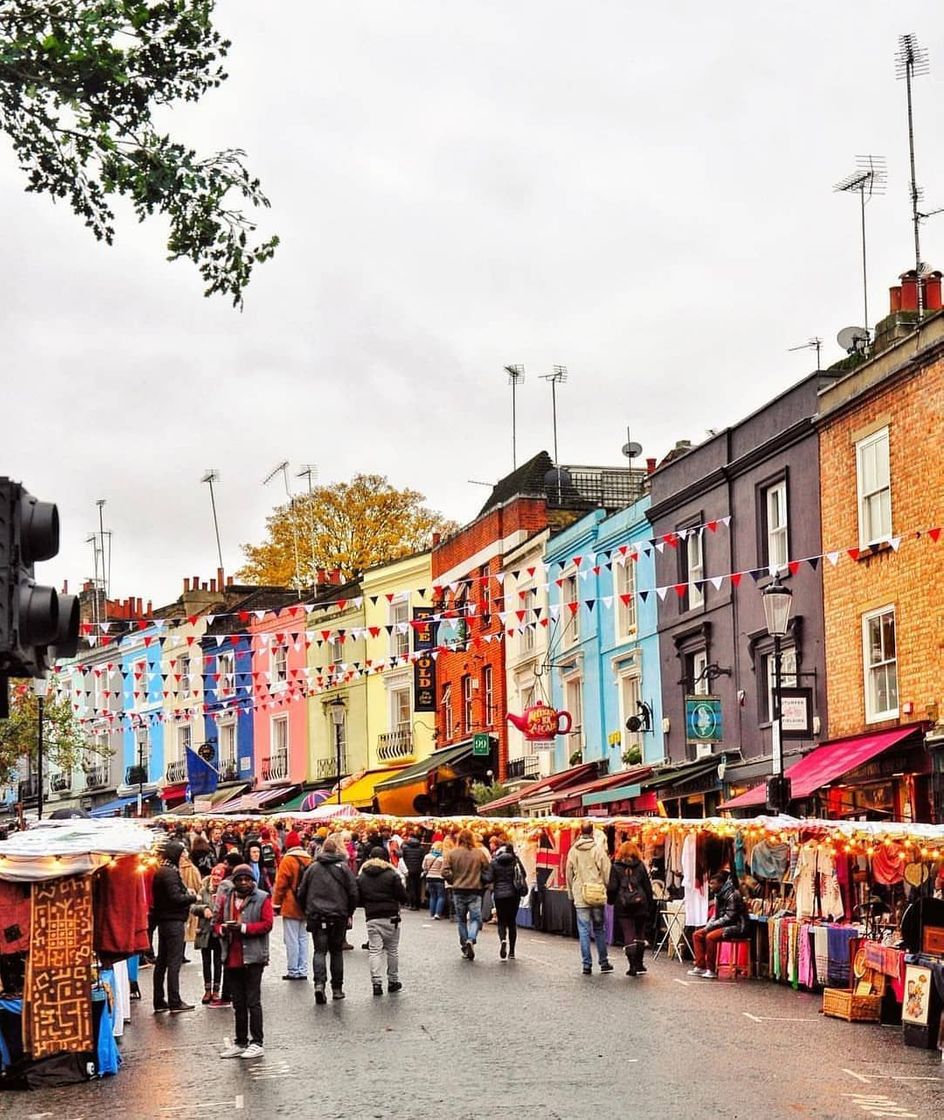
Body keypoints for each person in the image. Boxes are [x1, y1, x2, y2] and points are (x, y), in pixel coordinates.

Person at [214, 864, 274, 1059]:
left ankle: (257, 1042)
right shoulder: (227, 898)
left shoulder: (263, 898)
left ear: (252, 880)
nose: (243, 883)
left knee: (253, 1001)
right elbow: (215, 923)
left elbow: (267, 924)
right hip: (232, 957)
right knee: (238, 1002)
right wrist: (223, 929)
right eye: (239, 879)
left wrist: (243, 928)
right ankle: (240, 1041)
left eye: (247, 879)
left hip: (254, 957)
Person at [297, 837, 359, 1003]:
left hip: (317, 915)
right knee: (336, 951)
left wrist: (307, 910)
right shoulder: (343, 868)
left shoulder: (312, 868)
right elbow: (353, 893)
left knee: (319, 951)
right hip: (338, 915)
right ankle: (337, 988)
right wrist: (349, 912)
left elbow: (301, 892)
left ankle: (319, 984)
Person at [151, 840, 199, 1013]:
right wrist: (193, 898)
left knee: (162, 962)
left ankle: (159, 1000)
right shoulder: (169, 873)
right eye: (181, 853)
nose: (183, 857)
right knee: (173, 962)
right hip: (173, 921)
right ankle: (174, 1001)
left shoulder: (161, 871)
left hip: (164, 921)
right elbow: (175, 898)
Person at [357, 845, 407, 996]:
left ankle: (376, 983)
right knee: (392, 950)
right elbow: (402, 896)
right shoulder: (392, 874)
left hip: (372, 917)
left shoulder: (362, 876)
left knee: (375, 950)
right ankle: (393, 981)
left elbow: (358, 898)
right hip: (391, 916)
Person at [565, 821, 614, 976]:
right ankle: (604, 961)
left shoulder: (573, 850)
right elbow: (606, 871)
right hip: (596, 893)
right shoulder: (598, 850)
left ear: (581, 832)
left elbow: (568, 872)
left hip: (580, 893)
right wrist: (606, 887)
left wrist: (570, 892)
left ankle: (587, 964)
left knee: (584, 930)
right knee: (599, 928)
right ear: (592, 833)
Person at [442, 828, 491, 961]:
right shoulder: (479, 853)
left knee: (461, 920)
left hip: (458, 890)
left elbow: (445, 871)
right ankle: (471, 938)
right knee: (475, 918)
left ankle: (464, 946)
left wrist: (454, 880)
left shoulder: (452, 853)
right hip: (475, 890)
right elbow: (487, 870)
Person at [690, 869, 748, 980]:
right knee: (697, 934)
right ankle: (700, 966)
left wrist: (711, 927)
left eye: (713, 883)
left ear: (721, 883)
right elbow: (715, 915)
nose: (710, 886)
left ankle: (711, 970)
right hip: (723, 924)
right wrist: (708, 926)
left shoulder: (733, 895)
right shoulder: (719, 895)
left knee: (710, 937)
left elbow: (729, 918)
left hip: (737, 926)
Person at [608, 841, 653, 977]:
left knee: (628, 934)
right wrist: (649, 903)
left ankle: (632, 965)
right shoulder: (640, 866)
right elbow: (647, 886)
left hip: (623, 904)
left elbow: (612, 887)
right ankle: (639, 963)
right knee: (640, 933)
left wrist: (611, 901)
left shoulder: (616, 867)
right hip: (640, 903)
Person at [271, 829, 312, 981]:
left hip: (290, 903)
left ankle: (293, 969)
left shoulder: (287, 860)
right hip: (305, 903)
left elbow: (281, 884)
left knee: (291, 939)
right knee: (303, 938)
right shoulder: (309, 859)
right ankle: (303, 969)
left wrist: (276, 903)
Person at [192, 864, 226, 1004]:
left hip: (218, 933)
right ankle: (207, 990)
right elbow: (193, 907)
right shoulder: (203, 890)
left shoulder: (225, 892)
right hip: (205, 931)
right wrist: (204, 909)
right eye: (215, 875)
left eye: (219, 876)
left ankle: (216, 990)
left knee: (218, 962)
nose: (216, 878)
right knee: (206, 962)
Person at [490, 842, 526, 960]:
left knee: (501, 921)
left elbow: (489, 877)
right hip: (513, 895)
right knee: (511, 922)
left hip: (499, 895)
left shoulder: (494, 862)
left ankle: (503, 940)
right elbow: (523, 874)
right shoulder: (515, 860)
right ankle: (511, 952)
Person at [400, 832, 427, 911]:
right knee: (417, 887)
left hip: (409, 870)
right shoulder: (421, 848)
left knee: (410, 887)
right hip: (418, 870)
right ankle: (417, 904)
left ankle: (412, 904)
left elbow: (403, 857)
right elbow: (422, 858)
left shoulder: (405, 847)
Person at [423, 839, 446, 920]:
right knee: (441, 896)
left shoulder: (427, 856)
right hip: (439, 878)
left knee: (432, 896)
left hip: (429, 878)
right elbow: (443, 869)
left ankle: (432, 913)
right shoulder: (442, 858)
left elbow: (424, 867)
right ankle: (438, 913)